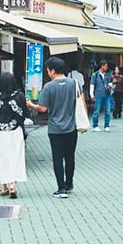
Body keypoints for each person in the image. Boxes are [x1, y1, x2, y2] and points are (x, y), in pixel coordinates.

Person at [27, 56, 84, 198]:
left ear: (52, 70)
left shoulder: (49, 86)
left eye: (48, 70)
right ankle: (69, 184)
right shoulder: (74, 83)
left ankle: (61, 188)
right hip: (72, 127)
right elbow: (81, 103)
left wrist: (31, 105)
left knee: (57, 158)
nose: (48, 73)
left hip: (55, 129)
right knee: (70, 157)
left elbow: (43, 108)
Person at [0, 72, 27, 198]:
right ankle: (13, 184)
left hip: (0, 131)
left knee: (2, 157)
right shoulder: (18, 96)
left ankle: (3, 187)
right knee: (15, 157)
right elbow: (24, 113)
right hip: (15, 130)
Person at [90, 60, 112, 131]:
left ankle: (106, 126)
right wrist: (91, 95)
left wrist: (111, 86)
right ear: (102, 66)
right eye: (106, 66)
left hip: (107, 95)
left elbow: (108, 84)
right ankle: (95, 125)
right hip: (98, 95)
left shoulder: (107, 75)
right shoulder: (95, 75)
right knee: (97, 111)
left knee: (107, 111)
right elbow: (92, 85)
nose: (107, 67)